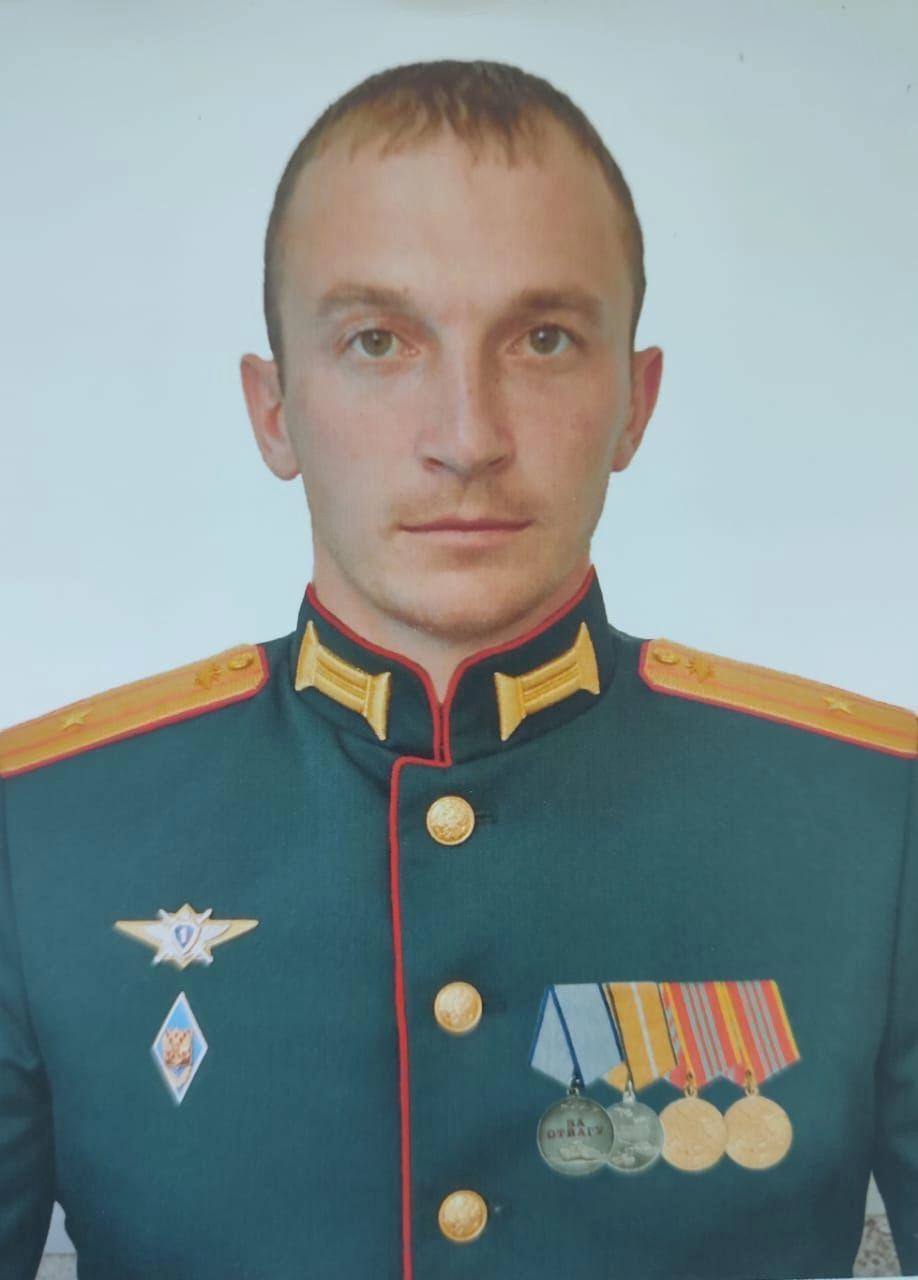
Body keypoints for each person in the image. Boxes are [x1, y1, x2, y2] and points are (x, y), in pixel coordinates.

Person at [0, 58, 915, 1280]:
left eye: (544, 338)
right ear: (273, 409)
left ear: (635, 401)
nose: (467, 437)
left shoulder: (874, 824)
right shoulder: (42, 837)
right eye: (378, 341)